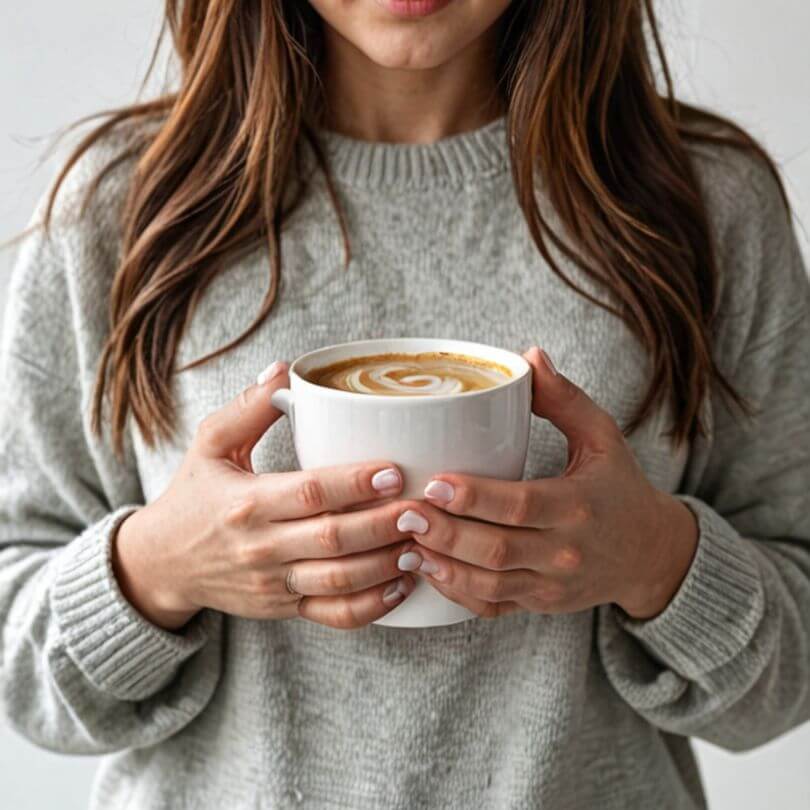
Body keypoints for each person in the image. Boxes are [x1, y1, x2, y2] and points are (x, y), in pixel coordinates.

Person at [1, 1, 809, 808]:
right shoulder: (122, 207)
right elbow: (17, 660)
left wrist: (656, 559)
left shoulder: (705, 203)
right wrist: (154, 572)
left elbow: (791, 678)